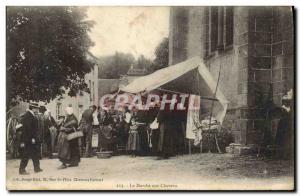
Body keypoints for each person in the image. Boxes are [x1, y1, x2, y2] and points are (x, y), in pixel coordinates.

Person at [18, 102, 43, 175]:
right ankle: (22, 170)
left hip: (31, 138)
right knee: (26, 154)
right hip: (29, 139)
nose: (38, 110)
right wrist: (32, 138)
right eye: (37, 108)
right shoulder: (28, 116)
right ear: (33, 108)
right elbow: (29, 129)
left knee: (35, 153)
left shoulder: (31, 115)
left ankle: (37, 168)